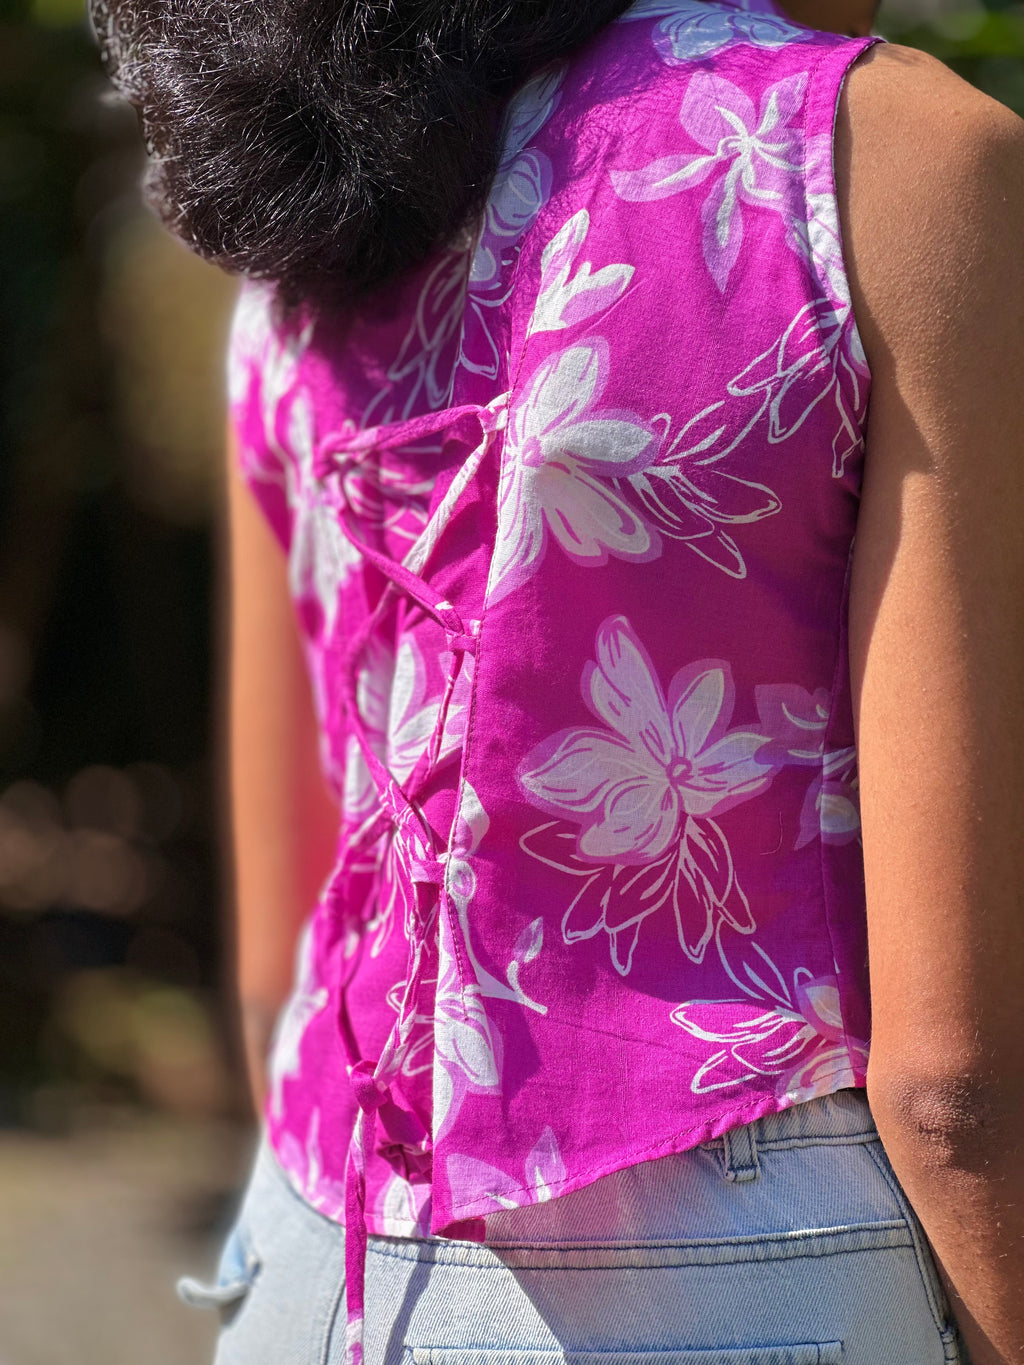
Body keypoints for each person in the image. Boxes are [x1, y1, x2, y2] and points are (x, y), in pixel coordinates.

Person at [92, 0, 1024, 1361]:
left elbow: (271, 963)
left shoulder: (305, 206)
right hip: (754, 1268)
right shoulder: (906, 164)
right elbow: (957, 1088)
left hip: (321, 1261)